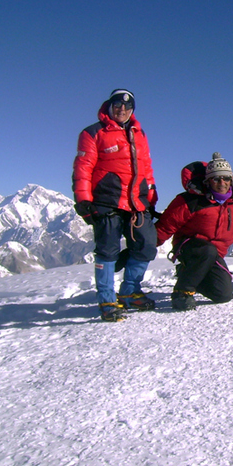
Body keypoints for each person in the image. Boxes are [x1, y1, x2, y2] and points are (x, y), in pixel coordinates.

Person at [72, 89, 159, 321]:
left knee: (147, 246)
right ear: (109, 107)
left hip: (137, 202)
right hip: (107, 200)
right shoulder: (93, 133)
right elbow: (83, 167)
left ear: (132, 110)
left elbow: (146, 166)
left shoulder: (139, 133)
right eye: (117, 107)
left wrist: (151, 195)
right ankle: (107, 300)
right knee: (107, 252)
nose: (122, 111)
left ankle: (130, 292)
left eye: (127, 108)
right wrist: (83, 199)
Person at [155, 153, 233, 311]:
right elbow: (165, 227)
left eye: (226, 178)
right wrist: (142, 248)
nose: (222, 182)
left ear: (231, 179)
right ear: (207, 180)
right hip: (189, 247)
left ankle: (186, 273)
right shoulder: (190, 201)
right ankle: (182, 292)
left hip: (214, 254)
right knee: (207, 250)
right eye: (216, 178)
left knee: (223, 294)